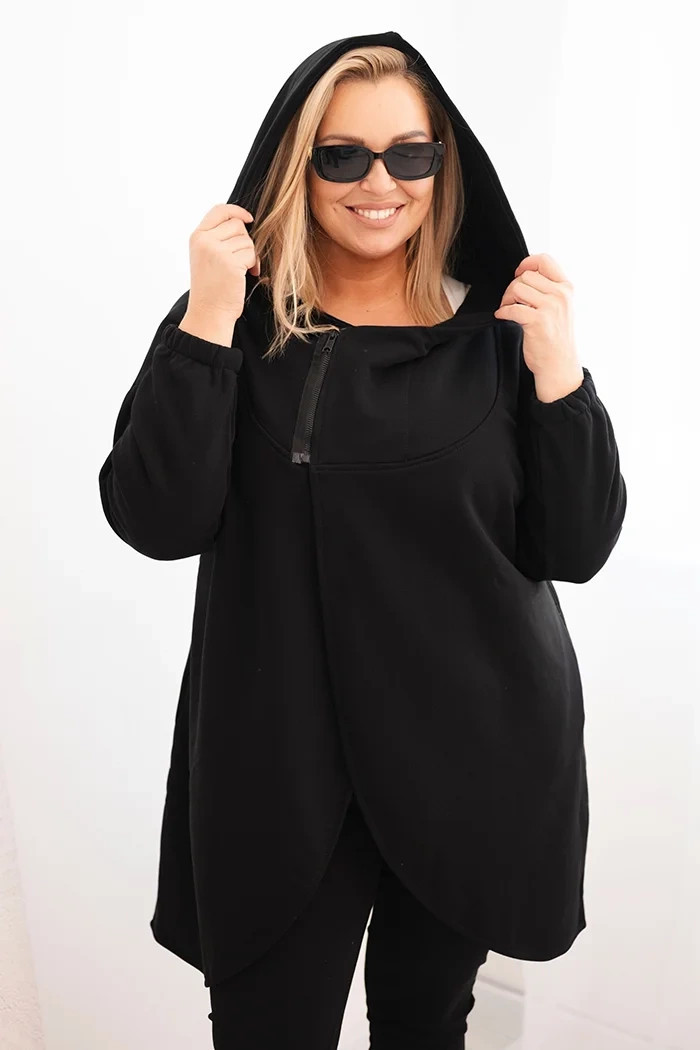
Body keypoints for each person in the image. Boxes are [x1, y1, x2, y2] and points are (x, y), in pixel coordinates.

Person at [97, 30, 627, 1050]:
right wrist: (207, 317)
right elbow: (156, 519)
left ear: (442, 162)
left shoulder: (504, 332)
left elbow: (578, 546)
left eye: (408, 154)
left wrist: (560, 372)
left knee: (426, 1028)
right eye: (341, 156)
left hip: (476, 754)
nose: (379, 183)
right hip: (280, 763)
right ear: (297, 168)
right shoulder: (238, 326)